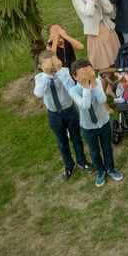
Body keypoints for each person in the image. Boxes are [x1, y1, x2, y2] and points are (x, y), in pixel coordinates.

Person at [34, 50, 93, 180]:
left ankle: (82, 161)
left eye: (54, 63)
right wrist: (45, 74)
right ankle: (68, 165)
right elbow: (38, 93)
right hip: (54, 114)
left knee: (76, 137)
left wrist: (59, 71)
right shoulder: (40, 78)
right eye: (49, 65)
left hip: (69, 110)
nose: (52, 67)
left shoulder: (64, 72)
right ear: (40, 67)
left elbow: (71, 87)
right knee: (62, 142)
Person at [68, 59, 124, 188]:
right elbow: (85, 105)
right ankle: (100, 171)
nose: (85, 76)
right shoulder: (73, 91)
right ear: (75, 77)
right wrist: (86, 85)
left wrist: (93, 82)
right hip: (88, 127)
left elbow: (103, 99)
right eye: (81, 74)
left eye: (87, 72)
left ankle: (110, 168)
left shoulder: (97, 82)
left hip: (103, 122)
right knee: (94, 151)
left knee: (107, 148)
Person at [72, 0, 120, 70]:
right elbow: (89, 12)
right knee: (104, 68)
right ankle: (104, 86)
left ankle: (111, 85)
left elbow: (110, 9)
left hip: (109, 30)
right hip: (96, 35)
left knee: (114, 65)